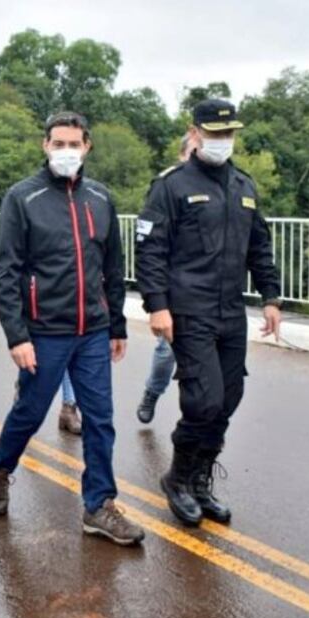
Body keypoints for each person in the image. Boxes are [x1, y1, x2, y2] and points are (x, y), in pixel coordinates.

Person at [0, 111, 144, 547]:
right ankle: (0, 466)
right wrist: (17, 335)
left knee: (100, 419)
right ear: (45, 145)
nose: (67, 152)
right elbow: (7, 271)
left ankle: (99, 505)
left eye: (74, 144)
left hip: (92, 330)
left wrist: (117, 325)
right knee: (30, 412)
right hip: (43, 331)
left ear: (87, 146)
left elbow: (112, 267)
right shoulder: (23, 198)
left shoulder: (100, 197)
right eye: (59, 144)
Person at [135, 99, 282, 527]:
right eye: (214, 134)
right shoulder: (171, 186)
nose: (222, 141)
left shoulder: (243, 185)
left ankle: (200, 481)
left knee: (229, 397)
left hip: (230, 311)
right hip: (189, 310)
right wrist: (157, 306)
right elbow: (150, 252)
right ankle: (178, 479)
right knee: (203, 400)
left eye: (228, 134)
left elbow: (260, 247)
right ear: (195, 133)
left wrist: (271, 297)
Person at [135, 134, 196, 425]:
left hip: (207, 293)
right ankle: (152, 392)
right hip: (175, 288)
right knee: (166, 352)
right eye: (194, 151)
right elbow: (150, 245)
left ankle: (199, 423)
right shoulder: (168, 187)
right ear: (183, 154)